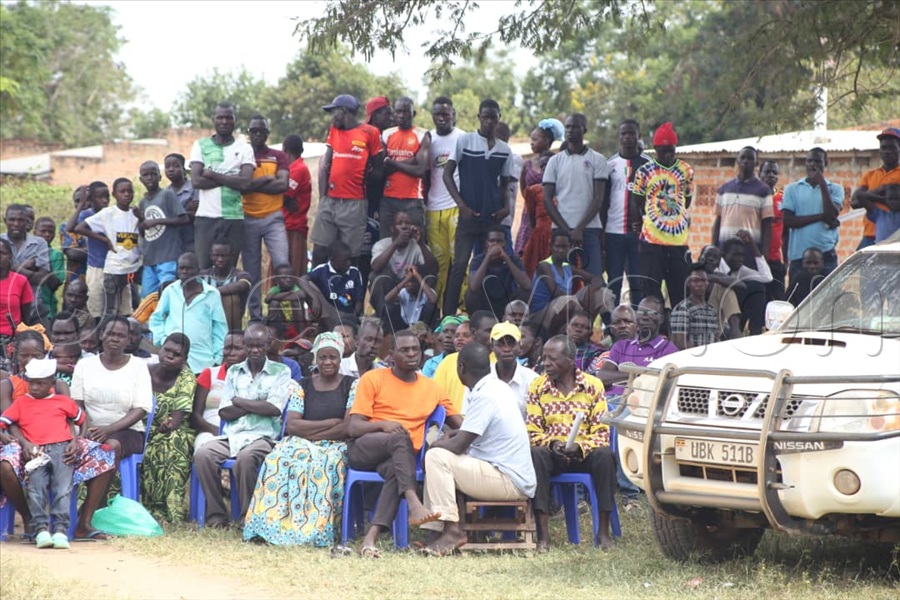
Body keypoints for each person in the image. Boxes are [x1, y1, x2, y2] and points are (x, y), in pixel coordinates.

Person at [347, 329, 462, 556]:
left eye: (415, 349)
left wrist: (449, 433)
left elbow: (459, 423)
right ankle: (414, 503)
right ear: (391, 354)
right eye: (404, 350)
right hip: (365, 449)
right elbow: (354, 427)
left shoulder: (432, 388)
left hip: (401, 458)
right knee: (400, 436)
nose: (411, 354)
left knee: (396, 470)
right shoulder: (372, 379)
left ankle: (370, 539)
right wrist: (383, 425)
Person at [419, 343, 537, 556]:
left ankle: (452, 531)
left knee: (436, 457)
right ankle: (435, 532)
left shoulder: (486, 395)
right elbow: (472, 431)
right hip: (502, 472)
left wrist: (436, 444)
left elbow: (458, 446)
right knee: (438, 457)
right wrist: (452, 437)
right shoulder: (496, 386)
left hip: (508, 480)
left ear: (461, 368)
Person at [243, 332, 357, 546]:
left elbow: (347, 427)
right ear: (316, 359)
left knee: (323, 464)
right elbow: (293, 425)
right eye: (322, 357)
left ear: (340, 358)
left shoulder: (352, 385)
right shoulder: (301, 385)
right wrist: (331, 422)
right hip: (299, 442)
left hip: (335, 446)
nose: (328, 362)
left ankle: (312, 531)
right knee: (276, 460)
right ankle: (270, 526)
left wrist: (312, 433)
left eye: (333, 357)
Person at [193, 323, 292, 527]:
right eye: (250, 345)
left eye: (259, 345)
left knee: (245, 459)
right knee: (203, 454)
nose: (254, 350)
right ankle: (217, 514)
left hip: (264, 437)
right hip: (233, 435)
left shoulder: (281, 371)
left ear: (268, 344)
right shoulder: (234, 371)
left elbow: (274, 409)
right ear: (245, 345)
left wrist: (239, 401)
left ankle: (248, 518)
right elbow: (224, 412)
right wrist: (258, 404)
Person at [527, 335, 616, 551]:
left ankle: (603, 532)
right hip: (553, 455)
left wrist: (580, 447)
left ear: (570, 360)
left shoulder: (592, 386)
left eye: (552, 359)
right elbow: (532, 432)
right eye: (544, 358)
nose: (546, 363)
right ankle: (543, 536)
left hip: (583, 454)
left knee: (605, 456)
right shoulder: (537, 387)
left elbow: (601, 432)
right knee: (536, 454)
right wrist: (553, 444)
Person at [69, 316, 152, 539]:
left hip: (128, 431)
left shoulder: (138, 367)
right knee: (71, 446)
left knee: (109, 447)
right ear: (101, 335)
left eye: (121, 335)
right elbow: (77, 404)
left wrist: (108, 429)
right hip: (88, 429)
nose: (115, 339)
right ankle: (76, 513)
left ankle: (85, 519)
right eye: (110, 333)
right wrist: (86, 428)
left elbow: (141, 409)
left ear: (128, 339)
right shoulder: (85, 365)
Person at [0, 357, 84, 549]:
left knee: (63, 489)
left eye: (41, 383)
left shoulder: (63, 401)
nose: (35, 387)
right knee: (36, 489)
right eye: (31, 383)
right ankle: (41, 530)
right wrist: (5, 437)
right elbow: (3, 422)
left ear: (52, 383)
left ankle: (61, 530)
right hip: (36, 452)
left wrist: (77, 440)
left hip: (62, 449)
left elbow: (81, 419)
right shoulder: (21, 403)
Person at [442, 99, 514, 315]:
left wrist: (506, 207)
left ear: (498, 118)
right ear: (479, 118)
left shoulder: (504, 150)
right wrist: (461, 205)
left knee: (489, 267)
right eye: (485, 117)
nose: (489, 121)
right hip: (468, 219)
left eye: (493, 117)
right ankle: (447, 316)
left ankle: (484, 315)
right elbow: (447, 174)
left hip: (492, 220)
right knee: (459, 266)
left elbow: (505, 184)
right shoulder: (465, 141)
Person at [311, 95, 384, 267]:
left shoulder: (370, 133)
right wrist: (323, 199)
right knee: (319, 251)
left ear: (344, 111)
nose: (332, 117)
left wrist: (364, 181)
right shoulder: (334, 130)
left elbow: (378, 169)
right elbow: (326, 164)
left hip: (355, 203)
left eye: (334, 112)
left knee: (349, 256)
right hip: (330, 201)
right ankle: (315, 285)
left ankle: (349, 285)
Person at [632, 122, 695, 308]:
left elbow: (687, 201)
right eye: (663, 151)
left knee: (681, 294)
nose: (668, 155)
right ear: (655, 150)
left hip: (678, 243)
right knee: (651, 294)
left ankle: (677, 325)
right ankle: (657, 326)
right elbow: (637, 201)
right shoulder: (644, 171)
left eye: (671, 151)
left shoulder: (686, 170)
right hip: (651, 243)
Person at [542, 113, 609, 278]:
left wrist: (579, 229)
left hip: (589, 228)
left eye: (575, 127)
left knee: (593, 278)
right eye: (568, 126)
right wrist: (567, 231)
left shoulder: (598, 159)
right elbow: (547, 199)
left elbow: (598, 199)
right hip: (561, 230)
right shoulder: (554, 161)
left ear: (584, 130)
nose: (570, 130)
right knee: (563, 279)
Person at [190, 102, 255, 269]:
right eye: (220, 117)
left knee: (228, 270)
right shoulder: (200, 145)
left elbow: (246, 183)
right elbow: (196, 181)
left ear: (235, 120)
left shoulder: (245, 148)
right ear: (214, 119)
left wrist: (212, 174)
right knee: (203, 268)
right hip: (206, 217)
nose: (224, 121)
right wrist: (233, 178)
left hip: (234, 217)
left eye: (228, 118)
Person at [141, 333, 196, 523]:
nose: (170, 356)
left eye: (177, 354)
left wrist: (168, 425)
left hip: (173, 430)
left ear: (185, 359)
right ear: (160, 349)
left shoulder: (186, 378)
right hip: (140, 428)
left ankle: (171, 510)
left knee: (173, 442)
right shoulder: (143, 371)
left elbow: (176, 420)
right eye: (167, 350)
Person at [242, 115, 290, 320]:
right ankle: (255, 318)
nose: (258, 135)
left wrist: (252, 184)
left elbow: (283, 185)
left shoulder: (278, 156)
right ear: (248, 133)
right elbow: (241, 186)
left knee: (282, 265)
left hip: (273, 218)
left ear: (268, 134)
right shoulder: (242, 155)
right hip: (247, 218)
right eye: (254, 131)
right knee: (252, 271)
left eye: (262, 131)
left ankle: (278, 314)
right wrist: (268, 179)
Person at [149, 252, 228, 374]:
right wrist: (162, 340)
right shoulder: (170, 291)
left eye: (189, 268)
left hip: (202, 360)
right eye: (181, 268)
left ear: (198, 270)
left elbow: (220, 328)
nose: (184, 272)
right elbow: (156, 318)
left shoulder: (212, 294)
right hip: (172, 357)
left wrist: (217, 358)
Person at [74, 178, 141, 318]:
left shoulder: (133, 215)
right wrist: (105, 240)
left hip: (122, 268)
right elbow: (77, 228)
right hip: (98, 266)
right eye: (122, 191)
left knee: (124, 309)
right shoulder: (105, 215)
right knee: (99, 308)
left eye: (130, 191)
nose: (127, 194)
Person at [604, 119, 651, 307]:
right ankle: (611, 322)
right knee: (613, 282)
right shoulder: (610, 164)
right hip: (613, 232)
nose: (627, 137)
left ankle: (638, 321)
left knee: (637, 282)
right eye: (624, 133)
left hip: (639, 235)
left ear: (639, 136)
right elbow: (603, 200)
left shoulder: (648, 165)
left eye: (632, 133)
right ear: (619, 136)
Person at [425, 97, 465, 309]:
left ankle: (462, 310)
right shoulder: (428, 139)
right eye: (437, 114)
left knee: (460, 261)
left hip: (456, 208)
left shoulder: (463, 138)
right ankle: (438, 310)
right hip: (433, 209)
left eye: (445, 114)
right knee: (438, 262)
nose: (441, 118)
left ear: (453, 115)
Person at [782, 147, 844, 282]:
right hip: (799, 256)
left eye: (817, 161)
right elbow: (788, 221)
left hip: (826, 255)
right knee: (799, 294)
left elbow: (831, 215)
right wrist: (821, 217)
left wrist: (822, 183)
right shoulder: (792, 189)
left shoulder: (835, 189)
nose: (813, 165)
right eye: (809, 161)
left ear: (825, 163)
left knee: (828, 292)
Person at [369, 211, 438, 320]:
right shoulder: (382, 245)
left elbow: (433, 269)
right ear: (392, 229)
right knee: (377, 277)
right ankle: (383, 316)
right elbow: (375, 267)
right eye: (399, 223)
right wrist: (395, 244)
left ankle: (425, 318)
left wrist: (421, 243)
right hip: (391, 285)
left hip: (412, 285)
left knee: (429, 275)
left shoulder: (417, 245)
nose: (404, 226)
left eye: (407, 223)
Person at [134, 161, 189, 297]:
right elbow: (144, 232)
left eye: (153, 174)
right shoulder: (143, 202)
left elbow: (184, 219)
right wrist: (140, 219)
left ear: (159, 177)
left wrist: (157, 221)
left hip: (168, 256)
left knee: (167, 293)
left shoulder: (167, 195)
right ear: (141, 179)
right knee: (147, 298)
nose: (150, 178)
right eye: (146, 175)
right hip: (149, 258)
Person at [381, 97, 430, 237]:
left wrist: (391, 162)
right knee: (386, 242)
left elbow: (420, 170)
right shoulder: (387, 134)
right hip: (388, 199)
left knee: (415, 241)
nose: (401, 115)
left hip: (413, 200)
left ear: (413, 114)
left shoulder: (422, 135)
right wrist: (410, 161)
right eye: (398, 112)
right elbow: (382, 169)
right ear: (394, 114)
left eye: (405, 112)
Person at [712, 147, 774, 256]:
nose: (746, 161)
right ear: (737, 161)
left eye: (750, 158)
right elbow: (718, 221)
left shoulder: (764, 190)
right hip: (724, 250)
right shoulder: (724, 189)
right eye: (743, 158)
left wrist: (763, 256)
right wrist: (713, 247)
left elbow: (767, 226)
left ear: (756, 163)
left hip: (750, 252)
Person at [192, 330, 247, 453]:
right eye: (227, 348)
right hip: (209, 432)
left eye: (237, 348)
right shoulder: (210, 374)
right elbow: (195, 415)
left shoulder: (254, 379)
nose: (231, 353)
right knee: (203, 450)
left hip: (242, 433)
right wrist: (218, 431)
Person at [516, 118, 564, 257]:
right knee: (527, 252)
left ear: (547, 141)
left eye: (535, 139)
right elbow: (524, 189)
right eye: (531, 139)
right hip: (529, 213)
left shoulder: (557, 162)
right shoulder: (527, 164)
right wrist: (532, 204)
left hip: (549, 214)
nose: (531, 143)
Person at [433, 311, 497, 412]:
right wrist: (455, 418)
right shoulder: (448, 361)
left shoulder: (499, 361)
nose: (494, 335)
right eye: (489, 331)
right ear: (474, 333)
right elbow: (437, 398)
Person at [64, 181, 110, 319]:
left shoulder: (109, 215)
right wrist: (100, 244)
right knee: (84, 313)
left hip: (109, 269)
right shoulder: (82, 218)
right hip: (81, 276)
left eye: (85, 201)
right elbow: (71, 252)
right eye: (78, 201)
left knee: (111, 307)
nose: (84, 204)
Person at [465, 226, 531, 317]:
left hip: (507, 300)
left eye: (499, 241)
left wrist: (506, 258)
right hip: (486, 302)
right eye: (492, 241)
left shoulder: (513, 259)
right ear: (486, 244)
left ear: (505, 244)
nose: (495, 244)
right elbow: (473, 287)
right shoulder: (478, 260)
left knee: (525, 292)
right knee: (470, 294)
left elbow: (527, 285)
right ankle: (477, 320)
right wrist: (488, 257)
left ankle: (516, 319)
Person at [850, 128, 900, 245]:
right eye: (884, 148)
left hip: (895, 235)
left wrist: (869, 196)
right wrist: (882, 194)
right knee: (858, 257)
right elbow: (855, 202)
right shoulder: (870, 175)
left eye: (892, 147)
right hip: (870, 235)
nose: (887, 151)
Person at [2, 204, 53, 317]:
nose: (16, 224)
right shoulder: (1, 242)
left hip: (33, 308)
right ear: (5, 221)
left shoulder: (39, 243)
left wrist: (10, 266)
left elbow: (42, 278)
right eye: (12, 220)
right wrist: (26, 267)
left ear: (27, 222)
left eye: (20, 220)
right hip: (4, 309)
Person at [718, 235, 772, 335]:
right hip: (715, 310)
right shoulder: (716, 265)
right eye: (736, 255)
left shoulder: (741, 269)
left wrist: (753, 245)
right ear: (724, 254)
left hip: (734, 314)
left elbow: (767, 277)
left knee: (758, 287)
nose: (740, 259)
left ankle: (755, 330)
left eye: (742, 256)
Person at [305, 240, 365, 327]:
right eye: (344, 260)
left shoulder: (354, 272)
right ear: (332, 259)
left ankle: (335, 327)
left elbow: (359, 301)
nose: (349, 263)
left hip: (348, 315)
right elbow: (301, 280)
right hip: (329, 311)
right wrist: (314, 298)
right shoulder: (322, 270)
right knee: (309, 286)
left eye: (350, 259)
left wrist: (353, 317)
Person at [199, 238, 252, 331]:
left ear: (232, 256)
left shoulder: (241, 275)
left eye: (224, 256)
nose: (220, 259)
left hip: (231, 325)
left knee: (230, 298)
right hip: (206, 320)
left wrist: (212, 292)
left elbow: (243, 285)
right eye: (216, 255)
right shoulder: (202, 275)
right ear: (210, 255)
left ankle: (231, 335)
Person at [489, 322, 539, 416]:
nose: (506, 349)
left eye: (511, 344)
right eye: (501, 344)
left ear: (519, 346)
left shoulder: (533, 380)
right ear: (492, 346)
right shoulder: (482, 377)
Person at [282, 134, 313, 276]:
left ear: (285, 149)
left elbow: (283, 194)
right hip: (288, 224)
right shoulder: (296, 167)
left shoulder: (298, 169)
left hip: (293, 226)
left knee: (291, 270)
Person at [670, 268, 720, 350]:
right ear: (689, 283)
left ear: (707, 283)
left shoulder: (712, 310)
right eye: (696, 281)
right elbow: (680, 343)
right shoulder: (683, 309)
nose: (700, 284)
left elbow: (716, 339)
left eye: (703, 280)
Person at [759, 160, 788, 302]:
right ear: (759, 174)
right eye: (767, 172)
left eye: (774, 172)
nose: (771, 175)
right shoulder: (754, 197)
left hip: (775, 260)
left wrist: (786, 261)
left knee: (777, 302)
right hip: (757, 258)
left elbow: (786, 232)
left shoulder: (783, 198)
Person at [522, 153, 553, 277]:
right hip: (540, 236)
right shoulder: (533, 191)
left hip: (558, 237)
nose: (545, 169)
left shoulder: (564, 190)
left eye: (548, 165)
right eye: (542, 166)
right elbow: (531, 216)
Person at [383, 265, 440, 332]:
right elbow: (386, 299)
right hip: (405, 325)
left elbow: (433, 300)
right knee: (389, 307)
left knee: (430, 307)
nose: (408, 284)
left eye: (412, 281)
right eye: (407, 281)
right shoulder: (404, 292)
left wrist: (417, 275)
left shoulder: (427, 292)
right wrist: (407, 279)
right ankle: (392, 333)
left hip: (422, 325)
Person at [164, 153, 198, 253]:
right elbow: (165, 217)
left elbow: (197, 214)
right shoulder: (165, 193)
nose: (171, 169)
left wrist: (176, 214)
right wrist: (185, 210)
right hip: (173, 240)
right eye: (167, 167)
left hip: (192, 237)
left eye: (176, 166)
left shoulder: (194, 187)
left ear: (183, 169)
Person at [33, 216, 66, 319]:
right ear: (34, 233)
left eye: (50, 232)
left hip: (47, 306)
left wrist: (45, 262)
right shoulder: (28, 251)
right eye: (43, 231)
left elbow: (54, 285)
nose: (47, 234)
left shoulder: (56, 255)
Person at [0, 238, 34, 337]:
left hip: (11, 338)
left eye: (2, 253)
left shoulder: (20, 281)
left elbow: (25, 317)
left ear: (10, 257)